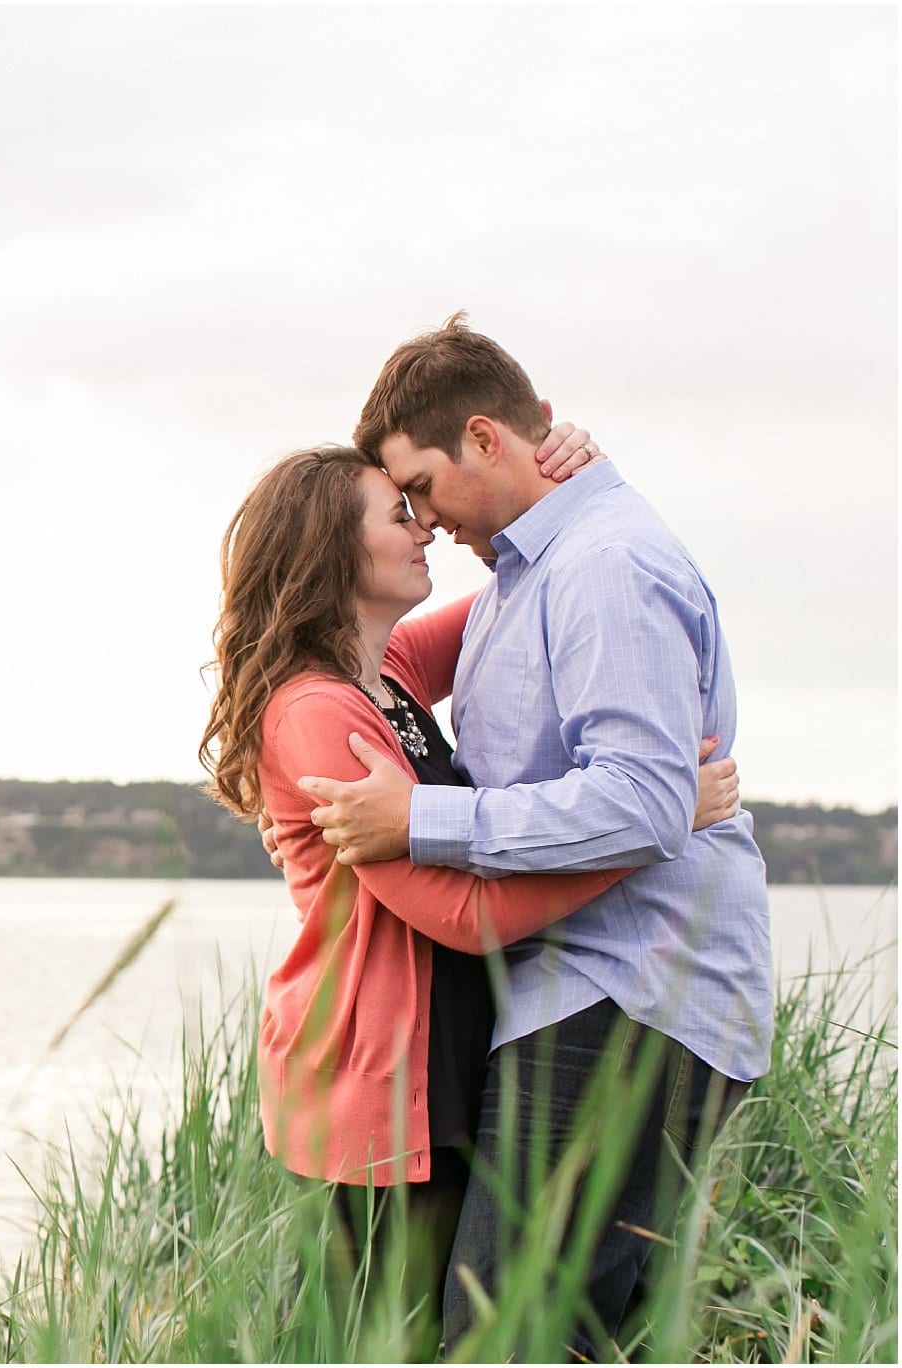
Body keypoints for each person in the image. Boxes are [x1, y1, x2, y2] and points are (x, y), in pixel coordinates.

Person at [195, 439, 738, 1353]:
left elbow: (540, 575)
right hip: (379, 1072)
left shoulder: (392, 669)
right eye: (399, 514)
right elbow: (458, 913)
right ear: (333, 549)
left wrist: (556, 473)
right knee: (395, 1339)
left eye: (420, 506)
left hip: (443, 1048)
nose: (427, 530)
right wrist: (656, 823)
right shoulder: (315, 712)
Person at [300, 314, 771, 1358]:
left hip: (631, 991)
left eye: (419, 485)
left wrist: (418, 818)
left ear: (483, 437)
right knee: (566, 1335)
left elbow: (642, 803)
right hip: (584, 995)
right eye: (398, 503)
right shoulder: (527, 576)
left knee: (503, 1338)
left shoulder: (601, 567)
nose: (419, 518)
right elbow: (348, 647)